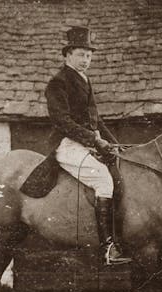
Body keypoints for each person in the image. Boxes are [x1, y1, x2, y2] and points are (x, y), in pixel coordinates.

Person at [45, 26, 132, 266]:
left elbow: (96, 120)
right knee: (103, 179)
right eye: (81, 54)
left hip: (87, 144)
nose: (86, 60)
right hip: (67, 144)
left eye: (89, 55)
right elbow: (62, 121)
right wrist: (94, 140)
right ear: (68, 55)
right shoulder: (58, 83)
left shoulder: (85, 80)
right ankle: (108, 246)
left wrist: (114, 143)